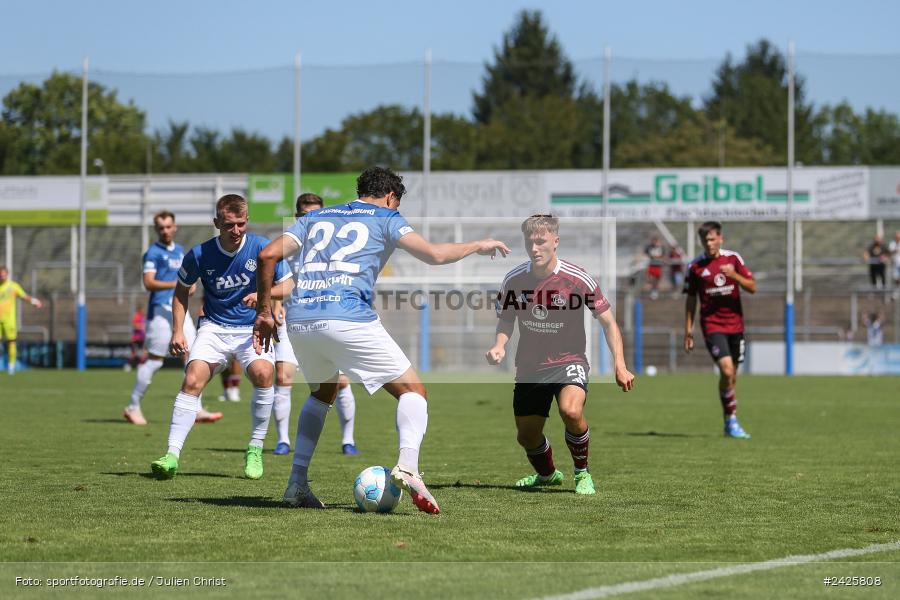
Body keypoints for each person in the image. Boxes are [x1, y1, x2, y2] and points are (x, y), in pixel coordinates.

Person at [253, 166, 510, 514]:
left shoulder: (316, 218)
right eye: (397, 204)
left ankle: (296, 483)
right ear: (390, 196)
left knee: (321, 394)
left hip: (302, 318)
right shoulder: (387, 218)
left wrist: (265, 312)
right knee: (413, 392)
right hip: (346, 315)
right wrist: (478, 244)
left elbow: (267, 255)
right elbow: (434, 255)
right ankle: (407, 466)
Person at [485, 215, 634, 495]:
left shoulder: (577, 279)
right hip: (530, 367)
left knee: (571, 410)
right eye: (530, 242)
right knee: (527, 436)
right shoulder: (515, 280)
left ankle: (582, 473)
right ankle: (548, 474)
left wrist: (620, 365)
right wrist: (499, 345)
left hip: (569, 360)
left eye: (541, 241)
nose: (535, 248)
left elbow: (608, 323)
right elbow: (506, 320)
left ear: (556, 241)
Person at [150, 195, 293, 480]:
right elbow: (181, 291)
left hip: (250, 329)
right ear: (217, 223)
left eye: (241, 224)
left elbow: (287, 284)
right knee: (192, 380)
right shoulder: (200, 254)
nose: (236, 230)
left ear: (247, 221)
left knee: (265, 374)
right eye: (229, 225)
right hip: (214, 328)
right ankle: (171, 455)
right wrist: (178, 330)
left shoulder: (262, 247)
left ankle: (254, 448)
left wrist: (265, 295)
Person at [124, 211, 221, 426]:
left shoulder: (179, 251)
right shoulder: (153, 254)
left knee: (195, 355)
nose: (165, 230)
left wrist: (189, 285)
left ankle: (196, 408)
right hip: (160, 310)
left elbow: (187, 279)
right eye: (161, 227)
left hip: (179, 312)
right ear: (156, 230)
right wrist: (179, 285)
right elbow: (149, 283)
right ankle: (132, 406)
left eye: (168, 226)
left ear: (175, 227)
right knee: (155, 361)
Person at [286, 192, 360, 456]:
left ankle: (347, 440)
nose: (312, 220)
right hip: (294, 324)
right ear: (297, 217)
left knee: (340, 382)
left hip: (327, 320)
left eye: (316, 214)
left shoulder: (334, 249)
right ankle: (283, 441)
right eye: (306, 216)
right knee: (284, 379)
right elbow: (278, 283)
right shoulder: (288, 250)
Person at [683, 221, 756, 439]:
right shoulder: (695, 267)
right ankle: (732, 421)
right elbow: (690, 299)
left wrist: (735, 276)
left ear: (720, 239)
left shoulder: (734, 259)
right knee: (726, 370)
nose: (709, 243)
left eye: (713, 239)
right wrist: (688, 331)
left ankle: (729, 421)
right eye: (705, 240)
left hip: (736, 326)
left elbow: (753, 287)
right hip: (712, 326)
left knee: (732, 376)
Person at [0, 265, 43, 375]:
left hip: (9, 320)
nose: (2, 277)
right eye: (0, 275)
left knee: (11, 343)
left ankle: (11, 366)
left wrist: (34, 301)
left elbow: (24, 296)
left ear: (7, 274)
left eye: (4, 275)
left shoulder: (13, 286)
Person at [126, 306, 146, 372]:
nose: (143, 310)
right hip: (136, 338)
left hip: (141, 338)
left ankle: (140, 365)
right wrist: (142, 327)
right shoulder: (137, 316)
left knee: (143, 352)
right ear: (139, 309)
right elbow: (135, 325)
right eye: (142, 309)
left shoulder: (142, 317)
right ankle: (128, 365)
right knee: (133, 353)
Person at [889, 231, 900, 297]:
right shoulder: (892, 243)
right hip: (895, 264)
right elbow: (890, 252)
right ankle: (896, 291)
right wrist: (895, 250)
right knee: (896, 278)